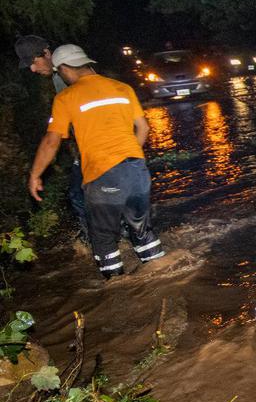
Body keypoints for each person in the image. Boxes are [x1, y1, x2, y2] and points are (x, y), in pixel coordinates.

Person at [28, 44, 165, 278]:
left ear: (64, 69)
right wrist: (126, 156)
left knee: (103, 238)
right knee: (141, 229)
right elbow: (143, 128)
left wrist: (35, 174)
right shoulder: (122, 88)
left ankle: (117, 289)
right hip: (137, 171)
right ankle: (164, 275)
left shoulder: (66, 97)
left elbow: (52, 140)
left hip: (103, 174)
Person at [14, 35, 89, 244]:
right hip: (88, 144)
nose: (32, 69)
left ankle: (99, 240)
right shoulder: (60, 75)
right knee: (83, 193)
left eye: (33, 62)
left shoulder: (68, 71)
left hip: (95, 144)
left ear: (46, 53)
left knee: (79, 194)